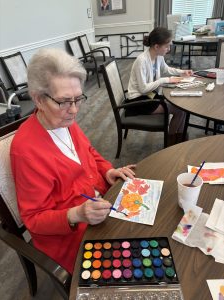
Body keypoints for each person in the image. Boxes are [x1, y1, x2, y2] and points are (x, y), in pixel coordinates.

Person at [10, 48, 135, 274]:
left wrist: (108, 171)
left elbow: (89, 152)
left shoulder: (62, 120)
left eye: (78, 99)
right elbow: (34, 219)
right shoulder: (26, 150)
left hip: (100, 205)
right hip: (72, 235)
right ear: (38, 99)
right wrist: (76, 214)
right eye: (65, 101)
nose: (75, 110)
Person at [127, 27, 194, 145]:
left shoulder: (158, 56)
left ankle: (180, 139)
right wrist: (164, 80)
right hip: (138, 100)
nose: (169, 49)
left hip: (149, 95)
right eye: (167, 46)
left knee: (182, 109)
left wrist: (182, 72)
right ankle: (172, 142)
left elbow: (166, 69)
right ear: (156, 46)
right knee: (180, 111)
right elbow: (143, 89)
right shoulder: (141, 61)